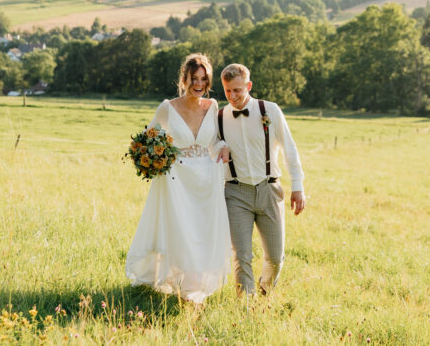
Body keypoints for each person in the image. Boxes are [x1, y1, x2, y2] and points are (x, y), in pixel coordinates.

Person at [125, 53, 232, 303]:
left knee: (202, 230)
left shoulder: (212, 106)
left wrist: (223, 146)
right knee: (183, 229)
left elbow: (214, 142)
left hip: (206, 180)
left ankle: (197, 282)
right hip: (178, 181)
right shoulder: (167, 107)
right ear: (184, 79)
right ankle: (187, 285)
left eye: (203, 80)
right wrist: (152, 161)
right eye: (194, 79)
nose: (199, 84)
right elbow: (145, 140)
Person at [217, 63, 306, 296]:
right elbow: (208, 145)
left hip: (269, 189)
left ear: (249, 85)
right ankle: (245, 307)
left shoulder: (270, 110)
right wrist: (219, 145)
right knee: (242, 256)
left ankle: (264, 291)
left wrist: (298, 186)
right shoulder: (218, 117)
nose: (232, 96)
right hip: (235, 193)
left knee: (276, 258)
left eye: (237, 90)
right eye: (227, 91)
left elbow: (289, 148)